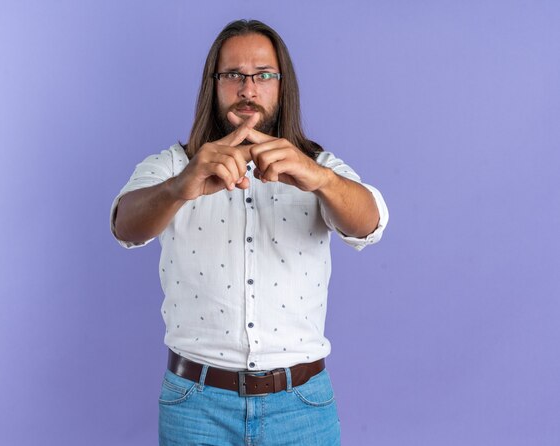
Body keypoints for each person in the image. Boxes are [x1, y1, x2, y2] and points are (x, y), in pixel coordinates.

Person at [110, 19, 388, 446]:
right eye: (233, 75)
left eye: (263, 75)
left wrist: (320, 179)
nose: (248, 88)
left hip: (302, 408)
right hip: (196, 405)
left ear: (281, 85)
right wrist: (179, 188)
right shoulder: (171, 165)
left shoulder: (318, 166)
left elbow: (370, 224)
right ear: (214, 84)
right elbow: (124, 227)